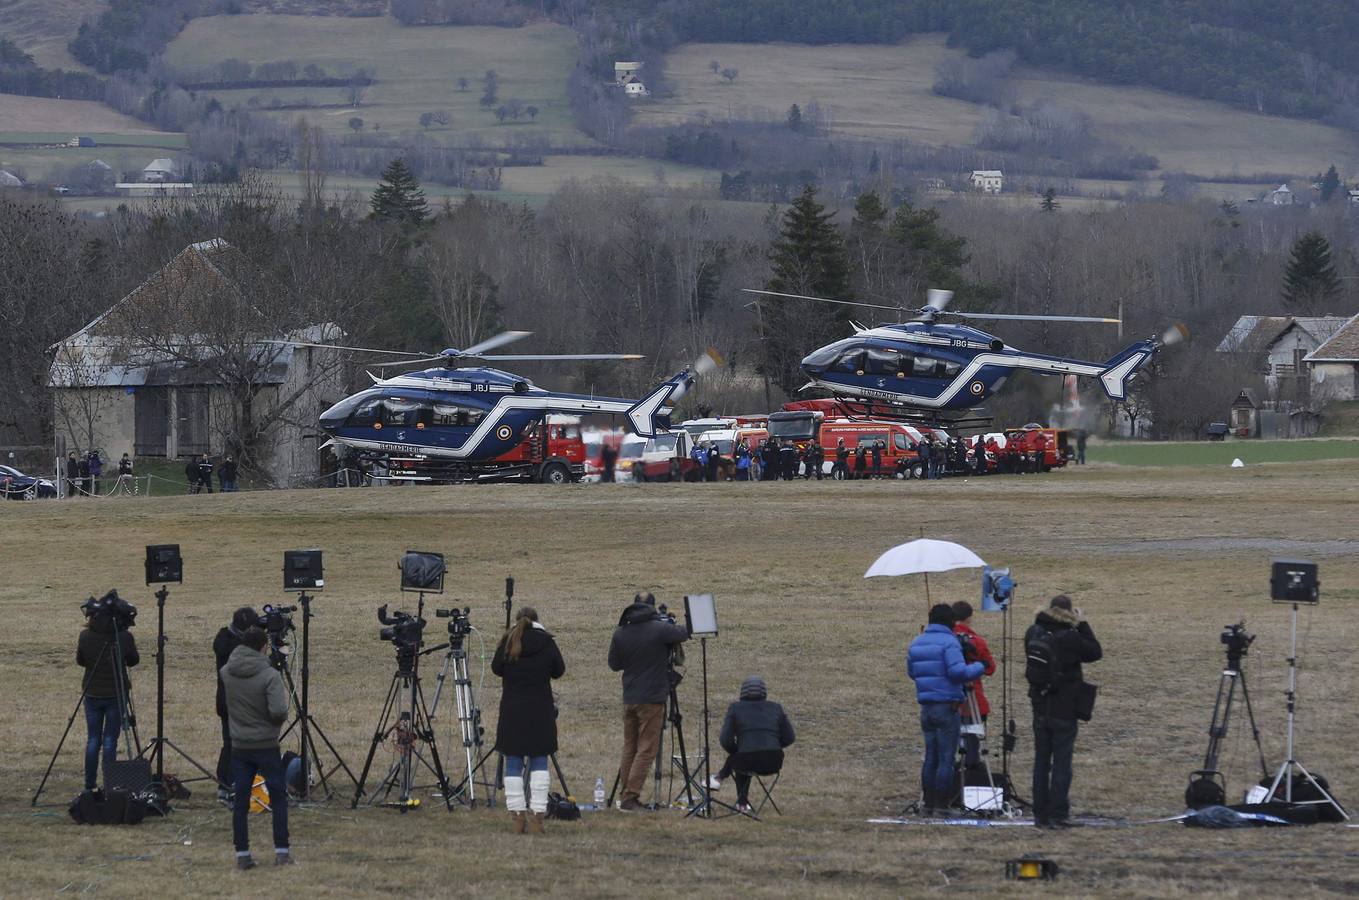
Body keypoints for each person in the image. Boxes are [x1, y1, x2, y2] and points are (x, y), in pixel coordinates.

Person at [1025, 595, 1102, 828]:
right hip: (1065, 706)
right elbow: (1095, 652)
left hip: (1039, 703)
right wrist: (1083, 624)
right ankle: (1058, 812)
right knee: (1061, 762)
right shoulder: (1070, 637)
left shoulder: (1033, 632)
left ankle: (1040, 813)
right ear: (1070, 613)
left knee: (1041, 760)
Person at [607, 593, 689, 811]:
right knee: (646, 749)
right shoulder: (659, 629)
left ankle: (626, 793)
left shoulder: (621, 632)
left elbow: (614, 665)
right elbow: (685, 633)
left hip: (630, 696)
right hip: (651, 698)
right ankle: (630, 797)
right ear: (652, 607)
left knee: (630, 747)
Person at [221, 626, 291, 868]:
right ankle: (282, 851)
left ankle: (242, 854)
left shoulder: (227, 672)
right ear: (263, 647)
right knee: (278, 798)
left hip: (239, 744)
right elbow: (279, 711)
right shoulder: (269, 675)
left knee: (240, 800)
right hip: (266, 744)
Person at [492, 607, 566, 834]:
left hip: (513, 710)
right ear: (537, 620)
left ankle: (517, 818)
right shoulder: (546, 642)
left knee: (513, 762)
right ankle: (537, 817)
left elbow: (496, 669)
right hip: (540, 710)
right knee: (539, 761)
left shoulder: (509, 641)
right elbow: (559, 670)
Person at [907, 604, 984, 815]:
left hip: (927, 707)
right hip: (947, 706)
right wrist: (979, 666)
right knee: (946, 759)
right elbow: (957, 672)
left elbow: (912, 672)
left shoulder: (917, 641)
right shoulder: (950, 642)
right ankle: (942, 805)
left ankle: (928, 804)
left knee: (931, 757)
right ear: (950, 621)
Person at [707, 676, 795, 813]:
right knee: (744, 756)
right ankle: (721, 779)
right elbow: (790, 737)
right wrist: (775, 745)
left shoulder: (735, 708)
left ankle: (738, 800)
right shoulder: (776, 708)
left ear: (742, 692)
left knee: (742, 757)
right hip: (774, 761)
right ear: (764, 692)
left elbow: (726, 740)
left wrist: (736, 750)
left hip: (746, 760)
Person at [77, 605, 140, 790]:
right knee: (110, 740)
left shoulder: (85, 636)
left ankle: (89, 784)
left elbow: (81, 660)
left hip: (92, 693)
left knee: (93, 740)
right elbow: (133, 660)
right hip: (116, 693)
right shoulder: (124, 637)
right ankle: (109, 784)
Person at [214, 606, 259, 802]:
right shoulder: (238, 651)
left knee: (229, 744)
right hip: (237, 702)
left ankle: (224, 785)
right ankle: (233, 786)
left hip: (225, 701)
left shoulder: (223, 640)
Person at [951, 601, 996, 769]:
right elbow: (990, 668)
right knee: (973, 738)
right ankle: (973, 769)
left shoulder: (946, 640)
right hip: (974, 700)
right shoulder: (977, 641)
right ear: (969, 618)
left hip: (950, 699)